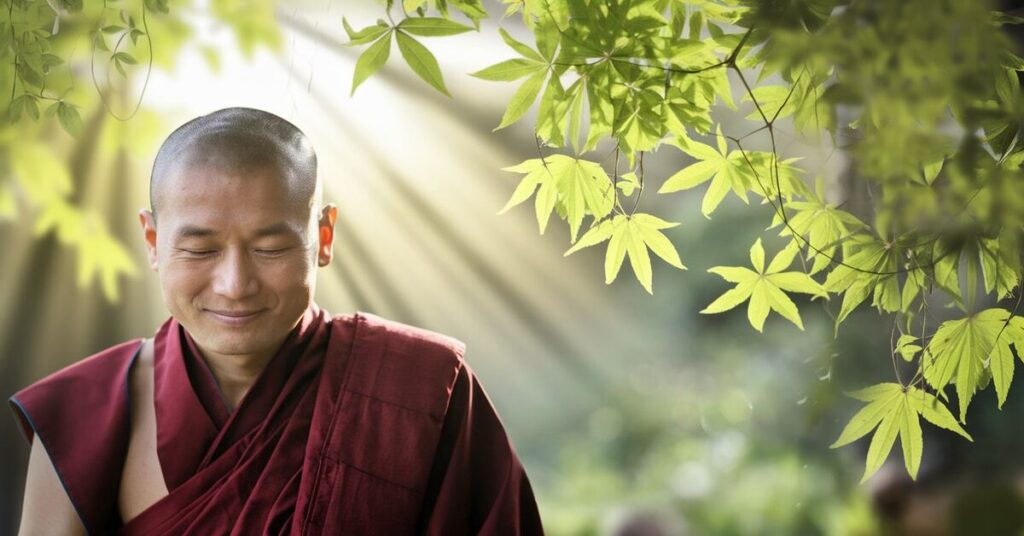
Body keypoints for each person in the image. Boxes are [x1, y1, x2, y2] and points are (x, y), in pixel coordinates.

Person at [8, 107, 545, 535]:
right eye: (200, 250)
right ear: (153, 241)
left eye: (269, 248)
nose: (235, 284)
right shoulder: (83, 413)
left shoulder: (421, 387)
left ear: (324, 237)